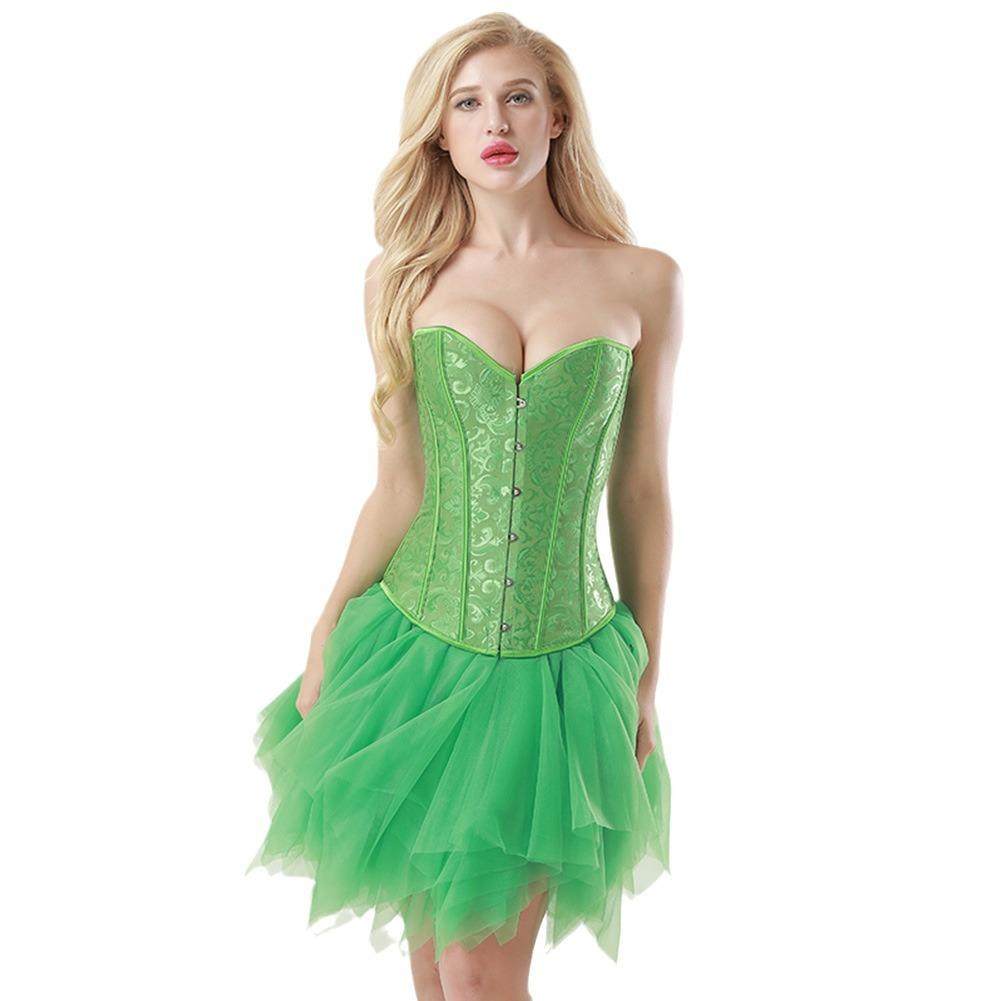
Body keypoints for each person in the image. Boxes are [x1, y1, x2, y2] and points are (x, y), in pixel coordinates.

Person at [247, 13, 682, 1000]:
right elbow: (399, 483)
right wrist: (325, 627)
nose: (496, 122)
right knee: (438, 975)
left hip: (558, 670)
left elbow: (641, 488)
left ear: (557, 116)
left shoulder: (643, 279)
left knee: (476, 974)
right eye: (468, 103)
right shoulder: (400, 279)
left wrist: (648, 668)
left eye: (518, 97)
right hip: (413, 653)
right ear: (439, 133)